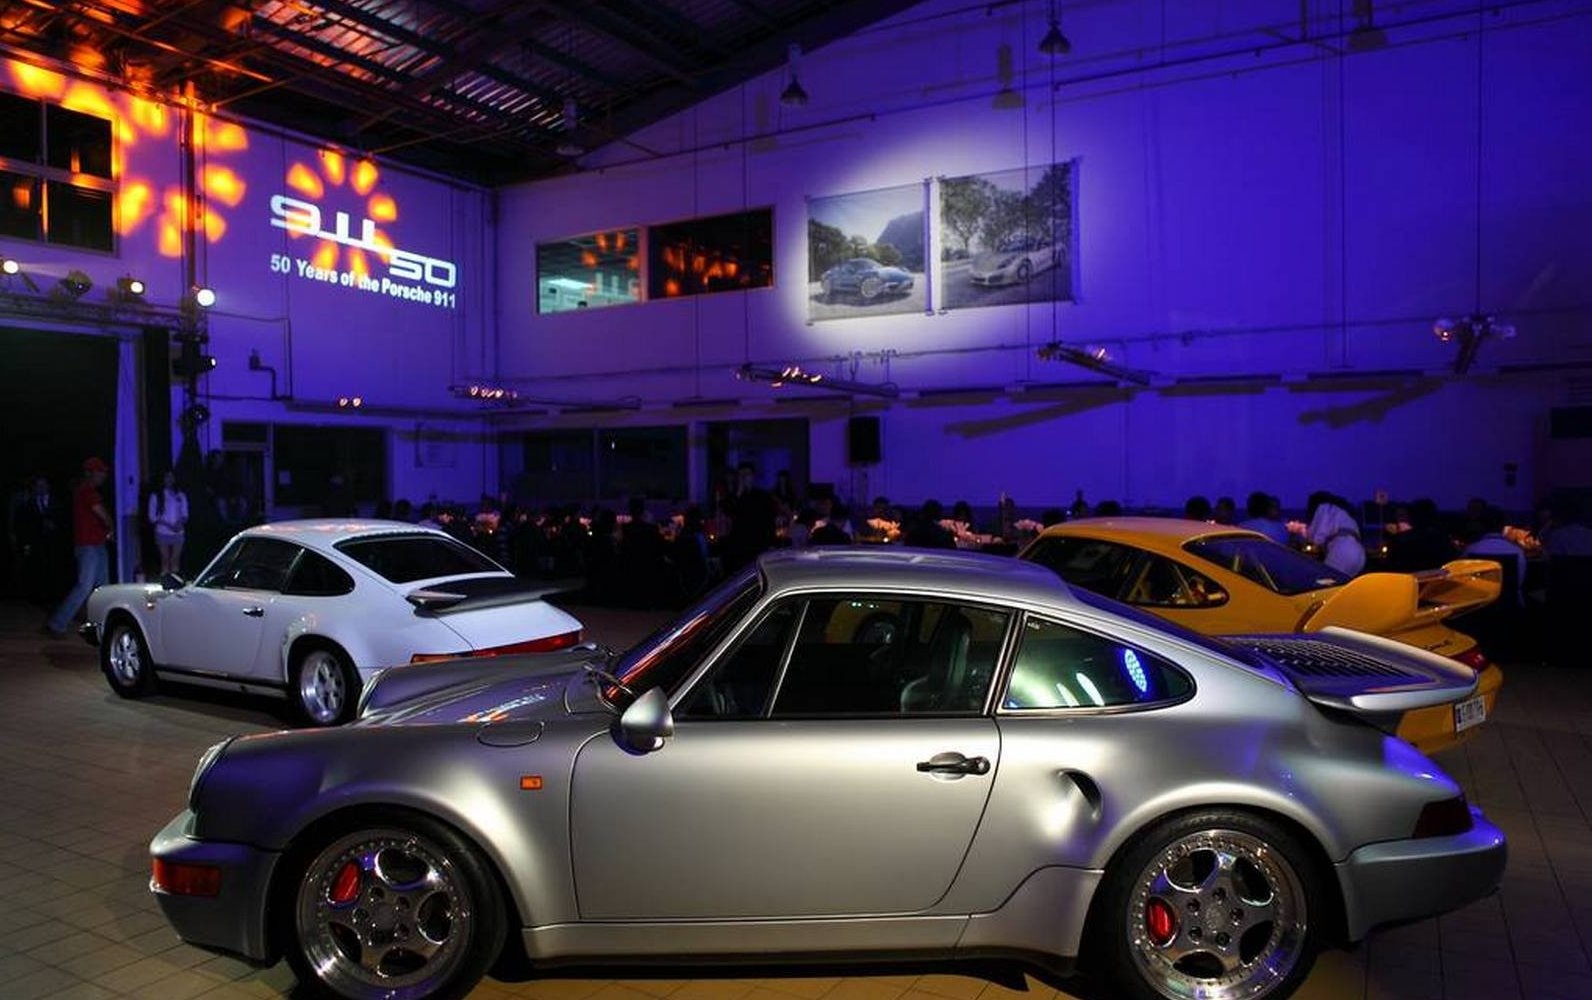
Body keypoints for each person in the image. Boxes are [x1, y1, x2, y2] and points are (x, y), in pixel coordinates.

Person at [45, 457, 114, 637]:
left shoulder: (85, 490)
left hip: (96, 544)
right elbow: (100, 512)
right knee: (85, 586)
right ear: (90, 473)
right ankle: (57, 624)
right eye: (100, 472)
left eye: (103, 472)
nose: (103, 475)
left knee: (102, 587)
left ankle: (102, 624)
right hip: (88, 546)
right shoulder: (87, 491)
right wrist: (112, 526)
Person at [1462, 505, 1527, 606]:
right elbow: (1519, 583)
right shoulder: (1517, 551)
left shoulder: (1470, 550)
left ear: (1481, 525)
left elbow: (1465, 582)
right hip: (1510, 607)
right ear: (1503, 526)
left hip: (1479, 608)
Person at [1306, 492, 1366, 577]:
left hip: (1343, 550)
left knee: (1327, 579)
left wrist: (1305, 535)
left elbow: (1318, 536)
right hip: (1359, 553)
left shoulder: (1325, 508)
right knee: (1345, 582)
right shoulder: (1343, 512)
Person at [146, 469, 189, 578]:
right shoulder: (156, 496)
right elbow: (152, 517)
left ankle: (175, 580)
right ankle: (165, 580)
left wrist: (179, 523)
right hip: (162, 532)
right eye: (167, 477)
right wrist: (168, 525)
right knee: (165, 559)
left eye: (171, 477)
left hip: (178, 531)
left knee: (175, 559)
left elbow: (185, 514)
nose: (169, 479)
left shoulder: (180, 495)